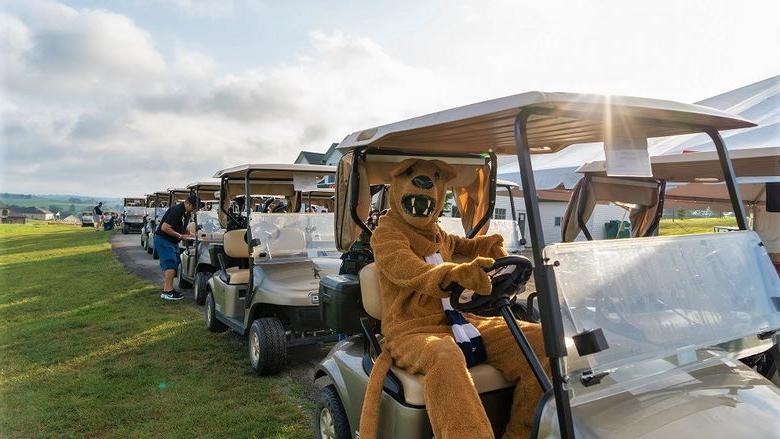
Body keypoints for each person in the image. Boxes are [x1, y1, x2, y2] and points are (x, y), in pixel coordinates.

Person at [155, 194, 196, 301]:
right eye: (193, 207)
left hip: (172, 241)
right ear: (187, 203)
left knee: (175, 262)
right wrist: (180, 236)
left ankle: (168, 288)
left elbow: (181, 227)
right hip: (164, 239)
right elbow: (165, 227)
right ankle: (167, 292)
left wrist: (190, 234)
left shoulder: (186, 213)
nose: (193, 210)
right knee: (170, 264)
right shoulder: (177, 210)